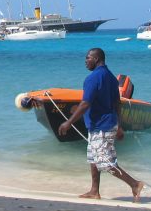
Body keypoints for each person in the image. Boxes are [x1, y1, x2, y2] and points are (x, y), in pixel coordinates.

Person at [57, 48, 144, 202]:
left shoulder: (93, 78)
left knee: (105, 163)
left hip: (101, 127)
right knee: (93, 159)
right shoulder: (111, 78)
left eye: (87, 58)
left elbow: (85, 104)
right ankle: (94, 191)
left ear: (96, 59)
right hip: (105, 124)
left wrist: (69, 122)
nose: (85, 61)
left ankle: (134, 184)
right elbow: (117, 103)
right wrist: (119, 125)